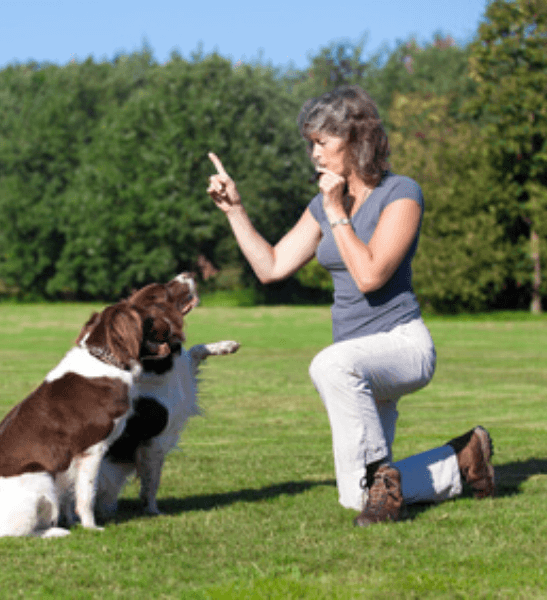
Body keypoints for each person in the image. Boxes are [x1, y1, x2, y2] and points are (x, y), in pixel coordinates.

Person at [206, 85, 495, 526]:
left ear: (356, 139)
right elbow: (273, 266)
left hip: (402, 345)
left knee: (329, 365)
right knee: (355, 499)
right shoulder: (322, 207)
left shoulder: (401, 193)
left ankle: (383, 478)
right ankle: (462, 461)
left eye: (322, 143)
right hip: (356, 361)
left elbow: (370, 275)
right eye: (311, 145)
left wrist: (336, 210)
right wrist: (235, 211)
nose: (314, 155)